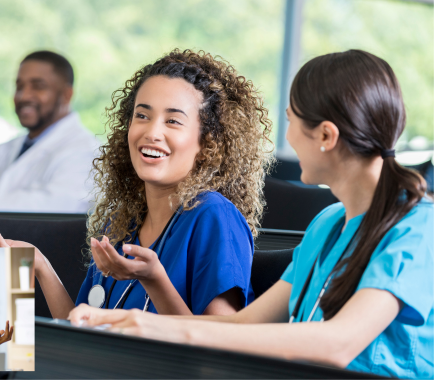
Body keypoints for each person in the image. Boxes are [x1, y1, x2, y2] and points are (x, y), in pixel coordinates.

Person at [69, 50, 433, 379]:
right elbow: (241, 327)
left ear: (325, 135)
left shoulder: (420, 229)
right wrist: (134, 323)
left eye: (291, 121)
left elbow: (336, 345)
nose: (286, 138)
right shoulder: (328, 225)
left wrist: (148, 326)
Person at [0, 49, 273, 318]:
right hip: (103, 367)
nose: (152, 132)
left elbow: (220, 346)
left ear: (207, 142)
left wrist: (154, 280)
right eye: (142, 115)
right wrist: (40, 265)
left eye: (173, 121)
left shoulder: (213, 215)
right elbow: (83, 334)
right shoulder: (122, 221)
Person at [0, 50, 100, 213]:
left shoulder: (86, 152)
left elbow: (52, 206)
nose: (23, 96)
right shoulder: (7, 149)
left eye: (38, 87)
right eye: (19, 86)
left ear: (66, 95)